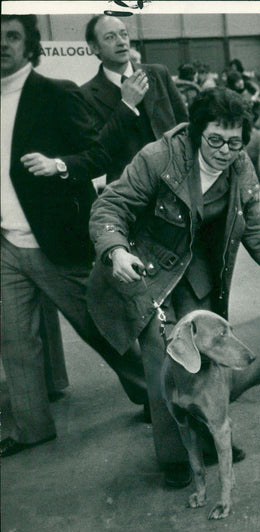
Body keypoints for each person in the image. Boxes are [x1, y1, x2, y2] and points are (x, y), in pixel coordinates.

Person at [87, 88, 260, 488]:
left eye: (234, 142)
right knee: (165, 359)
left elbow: (257, 230)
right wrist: (115, 250)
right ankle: (177, 458)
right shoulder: (158, 157)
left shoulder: (240, 167)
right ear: (197, 132)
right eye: (214, 139)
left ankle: (212, 434)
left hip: (197, 268)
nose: (223, 150)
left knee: (208, 356)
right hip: (145, 264)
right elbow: (110, 207)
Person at [0, 14, 148, 458]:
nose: (1, 44)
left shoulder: (54, 94)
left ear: (30, 46)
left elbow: (97, 154)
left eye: (11, 36)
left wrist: (58, 164)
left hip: (56, 241)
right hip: (6, 243)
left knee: (102, 329)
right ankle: (32, 428)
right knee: (15, 341)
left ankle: (157, 396)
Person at [81, 14, 188, 184]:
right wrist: (126, 105)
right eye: (110, 37)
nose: (121, 41)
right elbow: (96, 154)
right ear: (94, 47)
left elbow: (185, 125)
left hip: (175, 182)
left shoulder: (158, 74)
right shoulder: (86, 95)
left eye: (124, 34)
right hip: (127, 194)